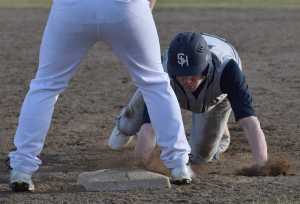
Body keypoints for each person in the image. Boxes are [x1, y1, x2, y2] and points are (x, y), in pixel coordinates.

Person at [8, 0, 193, 192]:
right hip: (125, 7)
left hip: (72, 8)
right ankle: (178, 165)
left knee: (45, 86)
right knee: (156, 84)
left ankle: (22, 168)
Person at [108, 32, 268, 171]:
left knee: (201, 156)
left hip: (214, 99)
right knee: (129, 123)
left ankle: (221, 134)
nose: (187, 81)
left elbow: (250, 122)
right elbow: (149, 128)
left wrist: (263, 165)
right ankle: (121, 127)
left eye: (192, 74)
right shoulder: (164, 73)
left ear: (205, 68)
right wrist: (140, 165)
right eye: (182, 75)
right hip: (171, 91)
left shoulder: (228, 70)